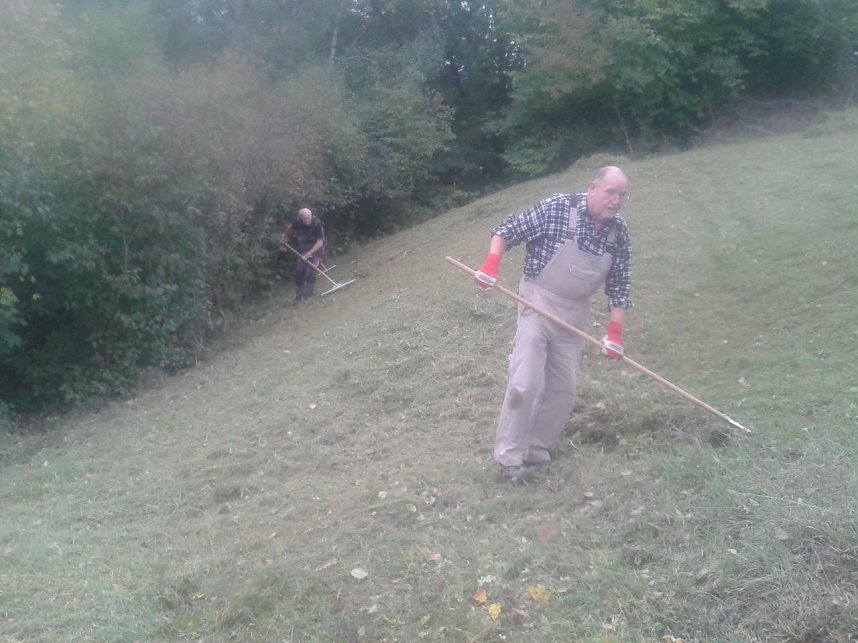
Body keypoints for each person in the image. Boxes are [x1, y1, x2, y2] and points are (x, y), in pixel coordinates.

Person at [474, 166, 632, 480]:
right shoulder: (558, 207)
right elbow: (506, 230)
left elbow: (620, 284)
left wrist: (615, 332)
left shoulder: (619, 232)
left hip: (574, 315)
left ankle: (536, 452)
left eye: (622, 195)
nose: (616, 201)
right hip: (537, 302)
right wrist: (492, 264)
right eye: (610, 192)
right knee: (526, 381)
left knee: (563, 389)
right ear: (592, 187)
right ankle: (508, 459)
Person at [282, 208, 325, 301]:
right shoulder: (297, 222)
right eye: (305, 218)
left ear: (311, 216)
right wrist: (285, 239)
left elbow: (320, 242)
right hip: (304, 248)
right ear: (300, 218)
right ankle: (299, 293)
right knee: (299, 270)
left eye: (308, 218)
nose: (307, 220)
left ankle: (308, 293)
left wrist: (309, 254)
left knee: (311, 270)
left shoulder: (317, 224)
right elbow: (290, 229)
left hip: (317, 248)